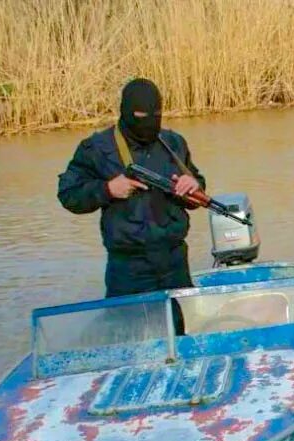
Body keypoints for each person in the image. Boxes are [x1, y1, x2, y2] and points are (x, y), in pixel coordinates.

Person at [57, 78, 205, 306]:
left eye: (156, 115)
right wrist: (106, 189)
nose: (149, 122)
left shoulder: (173, 143)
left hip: (175, 264)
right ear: (126, 112)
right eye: (141, 116)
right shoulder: (97, 148)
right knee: (130, 333)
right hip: (128, 269)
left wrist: (193, 185)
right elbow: (68, 195)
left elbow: (198, 194)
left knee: (181, 331)